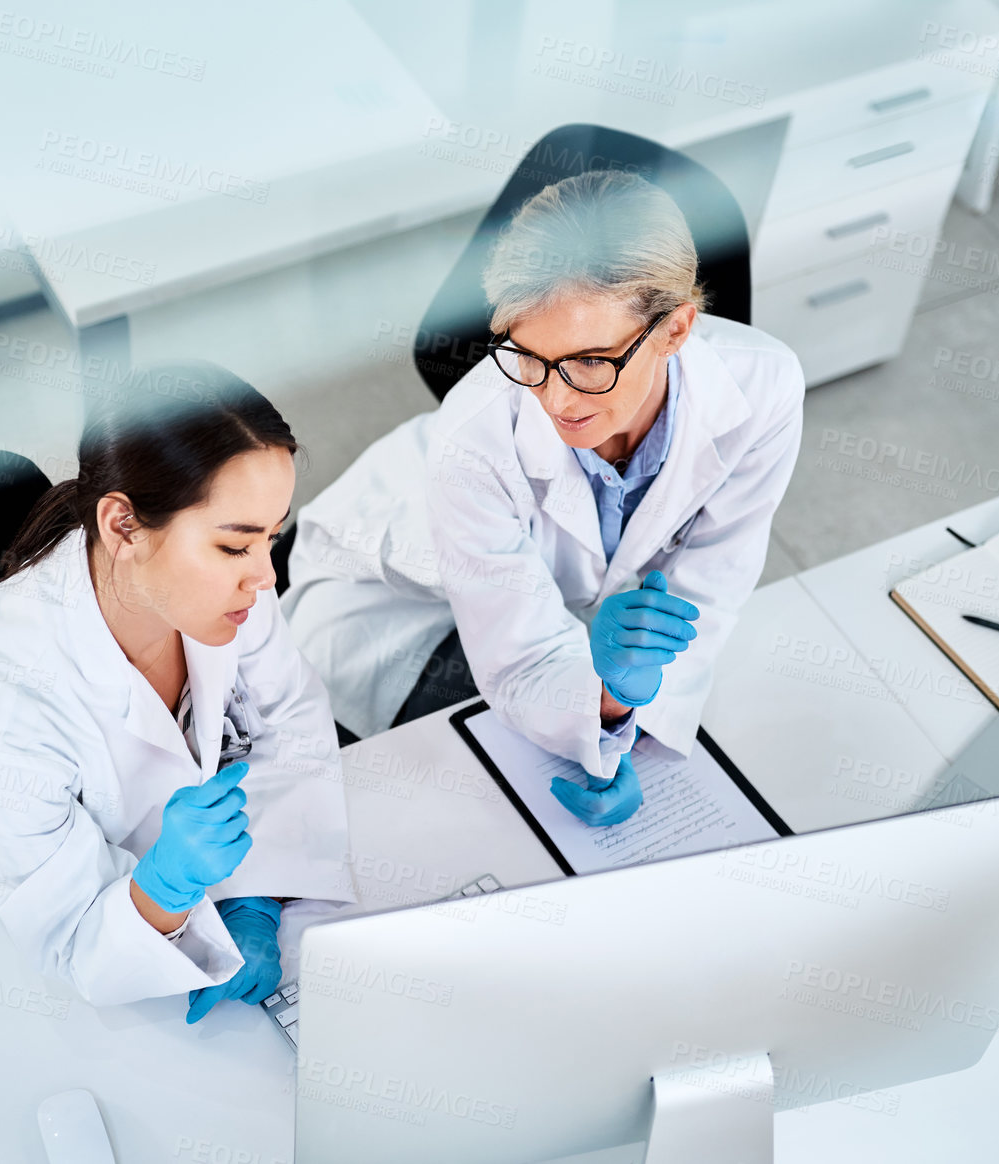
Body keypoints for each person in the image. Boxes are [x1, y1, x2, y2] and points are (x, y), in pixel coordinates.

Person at [282, 169, 804, 827]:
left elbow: (711, 584)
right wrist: (611, 712)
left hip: (541, 597)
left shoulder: (765, 388)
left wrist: (636, 714)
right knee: (495, 805)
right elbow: (521, 661)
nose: (555, 401)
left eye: (590, 361)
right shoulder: (475, 438)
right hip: (395, 610)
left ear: (676, 330)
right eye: (527, 355)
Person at [0, 360, 353, 1021]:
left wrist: (252, 898)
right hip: (27, 943)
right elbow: (72, 937)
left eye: (273, 537)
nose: (266, 576)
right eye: (236, 546)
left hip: (198, 892)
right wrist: (165, 890)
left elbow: (291, 722)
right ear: (121, 526)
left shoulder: (221, 591)